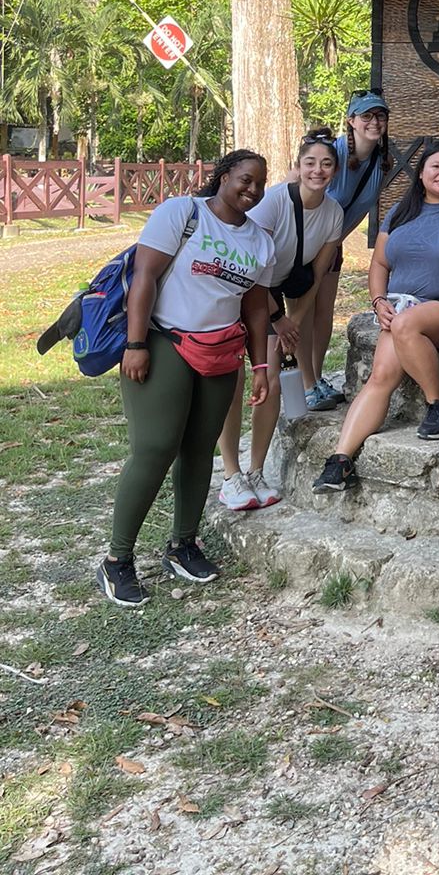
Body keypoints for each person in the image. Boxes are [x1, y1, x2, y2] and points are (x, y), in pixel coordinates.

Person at [96, 149, 274, 608]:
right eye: (245, 179)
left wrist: (259, 366)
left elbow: (256, 308)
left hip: (221, 352)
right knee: (156, 448)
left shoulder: (260, 241)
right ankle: (117, 560)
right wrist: (136, 343)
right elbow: (145, 276)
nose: (252, 189)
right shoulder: (183, 213)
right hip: (164, 340)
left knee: (199, 449)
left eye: (260, 183)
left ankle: (183, 544)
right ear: (224, 176)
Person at [312, 140, 439, 492]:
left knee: (406, 324)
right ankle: (341, 460)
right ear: (421, 172)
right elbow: (380, 264)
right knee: (380, 376)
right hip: (402, 305)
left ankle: (437, 404)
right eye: (436, 166)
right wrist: (378, 301)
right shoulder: (401, 211)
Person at [215, 128, 345, 510]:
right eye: (310, 163)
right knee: (235, 381)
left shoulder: (333, 213)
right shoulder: (274, 202)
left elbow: (316, 276)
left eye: (326, 164)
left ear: (335, 171)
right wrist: (278, 319)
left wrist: (294, 322)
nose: (317, 170)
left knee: (270, 379)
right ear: (297, 166)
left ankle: (256, 470)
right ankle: (230, 474)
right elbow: (251, 263)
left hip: (275, 296)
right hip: (243, 290)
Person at [302, 91, 395, 411]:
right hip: (306, 243)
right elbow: (298, 186)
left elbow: (358, 212)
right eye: (366, 116)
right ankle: (303, 383)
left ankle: (315, 378)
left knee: (323, 312)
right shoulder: (333, 153)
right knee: (301, 313)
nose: (374, 122)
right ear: (351, 121)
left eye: (380, 116)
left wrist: (335, 243)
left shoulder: (381, 163)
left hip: (333, 244)